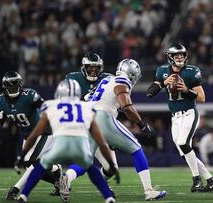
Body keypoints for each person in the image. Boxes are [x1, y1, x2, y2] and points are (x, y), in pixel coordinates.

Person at [65, 58, 167, 201]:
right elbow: (126, 106)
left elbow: (88, 98)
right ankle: (149, 191)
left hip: (88, 118)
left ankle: (66, 179)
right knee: (136, 148)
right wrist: (142, 125)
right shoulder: (122, 81)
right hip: (102, 117)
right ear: (132, 73)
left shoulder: (106, 80)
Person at [17, 79, 116, 203]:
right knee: (91, 168)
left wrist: (22, 155)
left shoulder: (50, 105)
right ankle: (108, 197)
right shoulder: (87, 107)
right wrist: (111, 165)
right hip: (79, 145)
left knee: (41, 167)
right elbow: (100, 141)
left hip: (59, 144)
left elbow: (34, 134)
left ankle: (23, 195)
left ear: (59, 93)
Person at [146, 42, 213, 192]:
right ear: (170, 57)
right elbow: (149, 93)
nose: (180, 57)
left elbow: (202, 98)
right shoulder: (162, 71)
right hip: (175, 117)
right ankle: (211, 180)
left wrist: (186, 90)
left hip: (189, 113)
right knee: (184, 151)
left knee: (184, 144)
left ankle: (196, 179)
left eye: (182, 55)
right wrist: (162, 83)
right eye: (176, 55)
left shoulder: (192, 71)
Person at [0, 71, 61, 200]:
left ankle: (14, 190)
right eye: (9, 85)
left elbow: (45, 107)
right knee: (30, 166)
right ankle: (56, 174)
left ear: (20, 84)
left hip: (44, 131)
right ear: (4, 87)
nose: (12, 88)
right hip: (27, 136)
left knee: (31, 162)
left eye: (15, 85)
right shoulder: (0, 100)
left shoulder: (29, 94)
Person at [64, 52, 120, 189]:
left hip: (101, 127)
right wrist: (83, 98)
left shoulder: (108, 79)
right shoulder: (73, 78)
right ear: (84, 67)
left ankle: (67, 179)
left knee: (111, 168)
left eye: (96, 67)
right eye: (90, 67)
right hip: (83, 127)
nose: (93, 70)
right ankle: (65, 179)